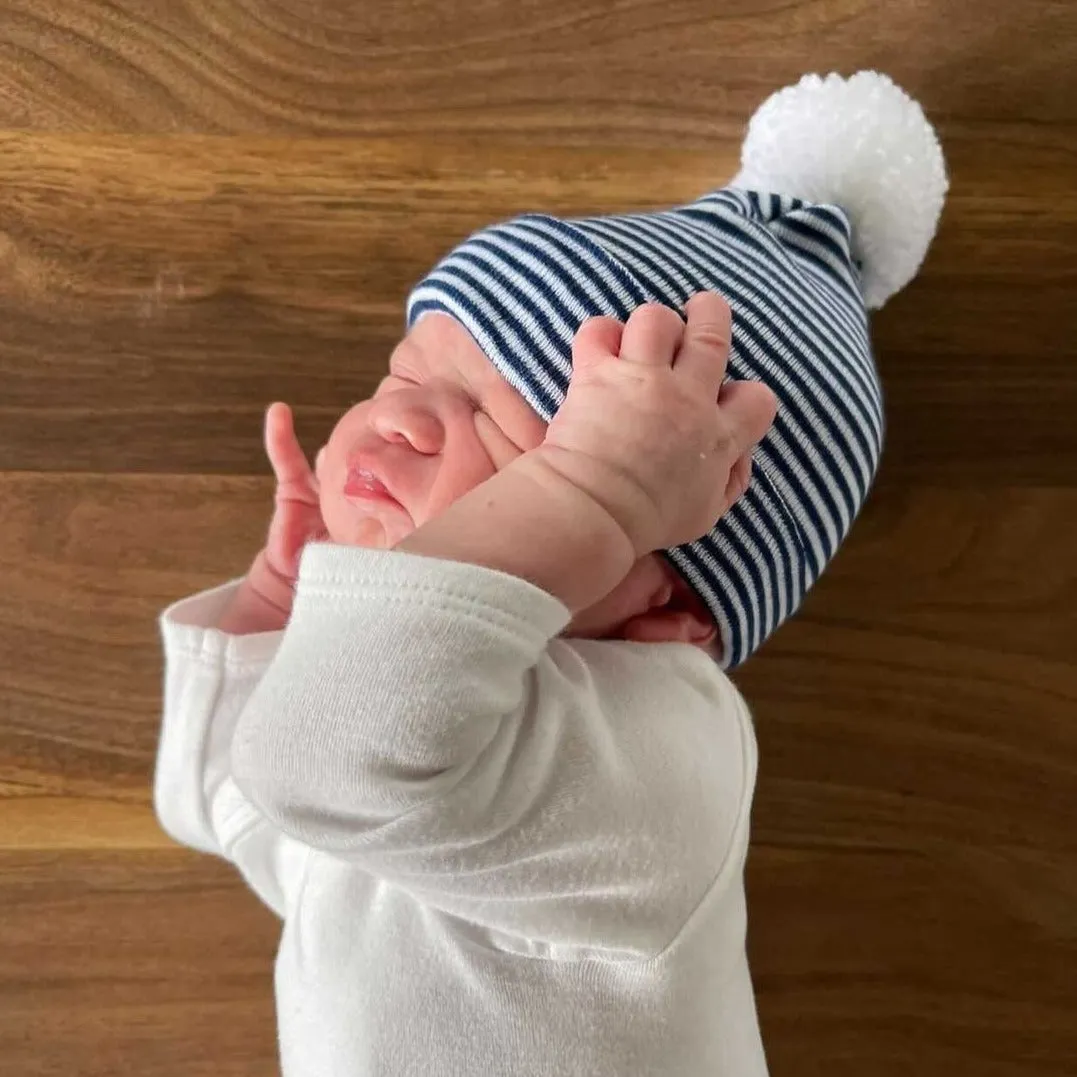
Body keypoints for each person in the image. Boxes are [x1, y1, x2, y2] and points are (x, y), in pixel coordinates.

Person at [154, 71, 946, 1076]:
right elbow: (239, 806)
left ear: (667, 610)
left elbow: (310, 770)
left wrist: (598, 490)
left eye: (509, 431)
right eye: (405, 375)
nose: (400, 416)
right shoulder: (402, 733)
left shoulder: (655, 759)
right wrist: (278, 612)